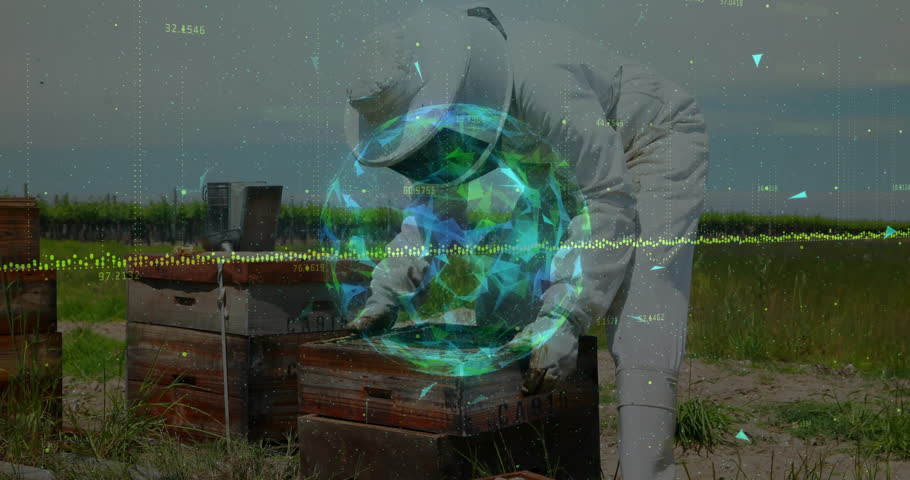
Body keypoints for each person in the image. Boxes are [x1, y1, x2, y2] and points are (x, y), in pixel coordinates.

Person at [342, 4, 709, 479]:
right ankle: (529, 456)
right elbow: (433, 206)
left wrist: (564, 317)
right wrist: (385, 294)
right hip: (554, 165)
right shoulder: (456, 104)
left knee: (644, 305)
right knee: (505, 293)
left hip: (652, 140)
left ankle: (649, 472)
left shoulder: (545, 82)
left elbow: (605, 198)